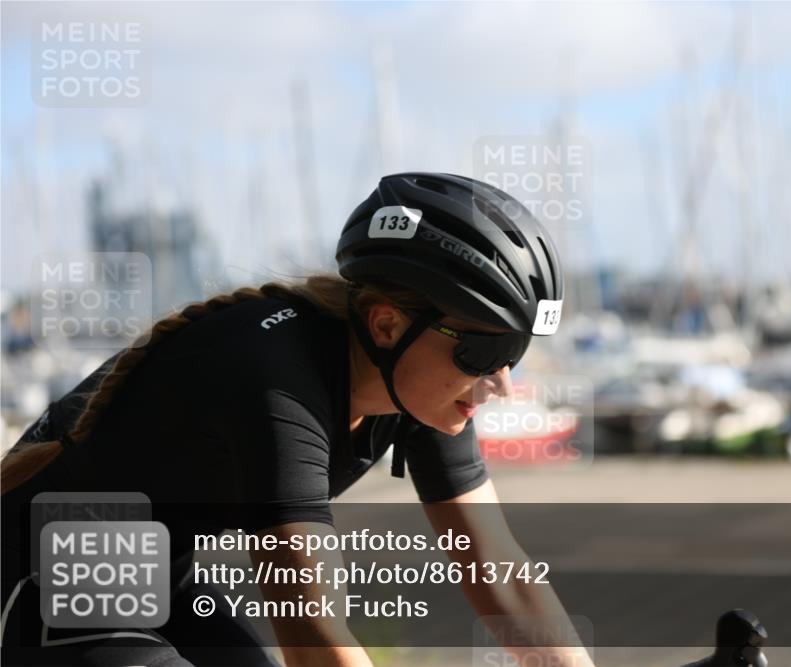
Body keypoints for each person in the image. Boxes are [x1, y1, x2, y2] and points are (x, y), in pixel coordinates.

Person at [0, 173, 589, 666]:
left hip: (157, 575)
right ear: (386, 324)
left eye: (516, 353)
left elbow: (503, 575)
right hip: (45, 573)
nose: (502, 383)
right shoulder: (276, 378)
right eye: (484, 354)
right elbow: (316, 637)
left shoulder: (418, 382)